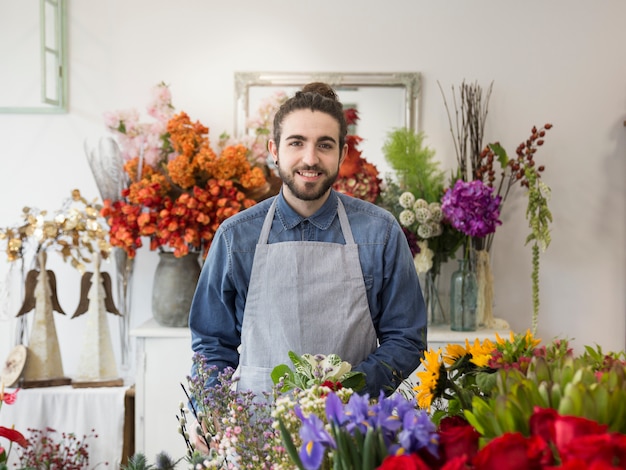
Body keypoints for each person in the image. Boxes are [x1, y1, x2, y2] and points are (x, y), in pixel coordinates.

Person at [188, 81, 426, 402]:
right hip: (261, 426)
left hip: (351, 430)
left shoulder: (379, 233)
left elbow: (407, 338)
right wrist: (210, 415)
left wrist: (346, 393)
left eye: (325, 145)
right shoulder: (236, 237)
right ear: (275, 150)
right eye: (297, 143)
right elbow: (211, 344)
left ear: (342, 153)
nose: (310, 159)